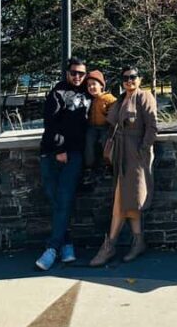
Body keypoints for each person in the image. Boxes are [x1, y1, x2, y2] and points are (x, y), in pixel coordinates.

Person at [90, 66, 158, 266]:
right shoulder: (120, 99)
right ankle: (138, 241)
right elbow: (108, 119)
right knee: (129, 198)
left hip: (136, 155)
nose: (129, 81)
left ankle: (109, 246)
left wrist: (142, 150)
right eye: (126, 78)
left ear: (140, 78)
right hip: (121, 154)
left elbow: (152, 126)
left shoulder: (144, 97)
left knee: (125, 198)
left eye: (133, 77)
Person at [35, 58, 91, 271]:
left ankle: (51, 249)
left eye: (81, 73)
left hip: (75, 155)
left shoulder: (87, 95)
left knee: (64, 199)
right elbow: (51, 124)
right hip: (51, 154)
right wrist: (59, 150)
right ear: (67, 73)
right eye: (74, 73)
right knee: (57, 201)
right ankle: (66, 244)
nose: (78, 77)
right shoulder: (57, 93)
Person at [84, 69, 117, 169]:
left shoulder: (108, 98)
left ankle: (109, 164)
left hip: (105, 126)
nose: (91, 87)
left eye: (94, 84)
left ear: (101, 86)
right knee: (88, 141)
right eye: (89, 85)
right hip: (92, 126)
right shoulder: (89, 99)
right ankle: (89, 165)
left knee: (105, 141)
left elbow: (115, 110)